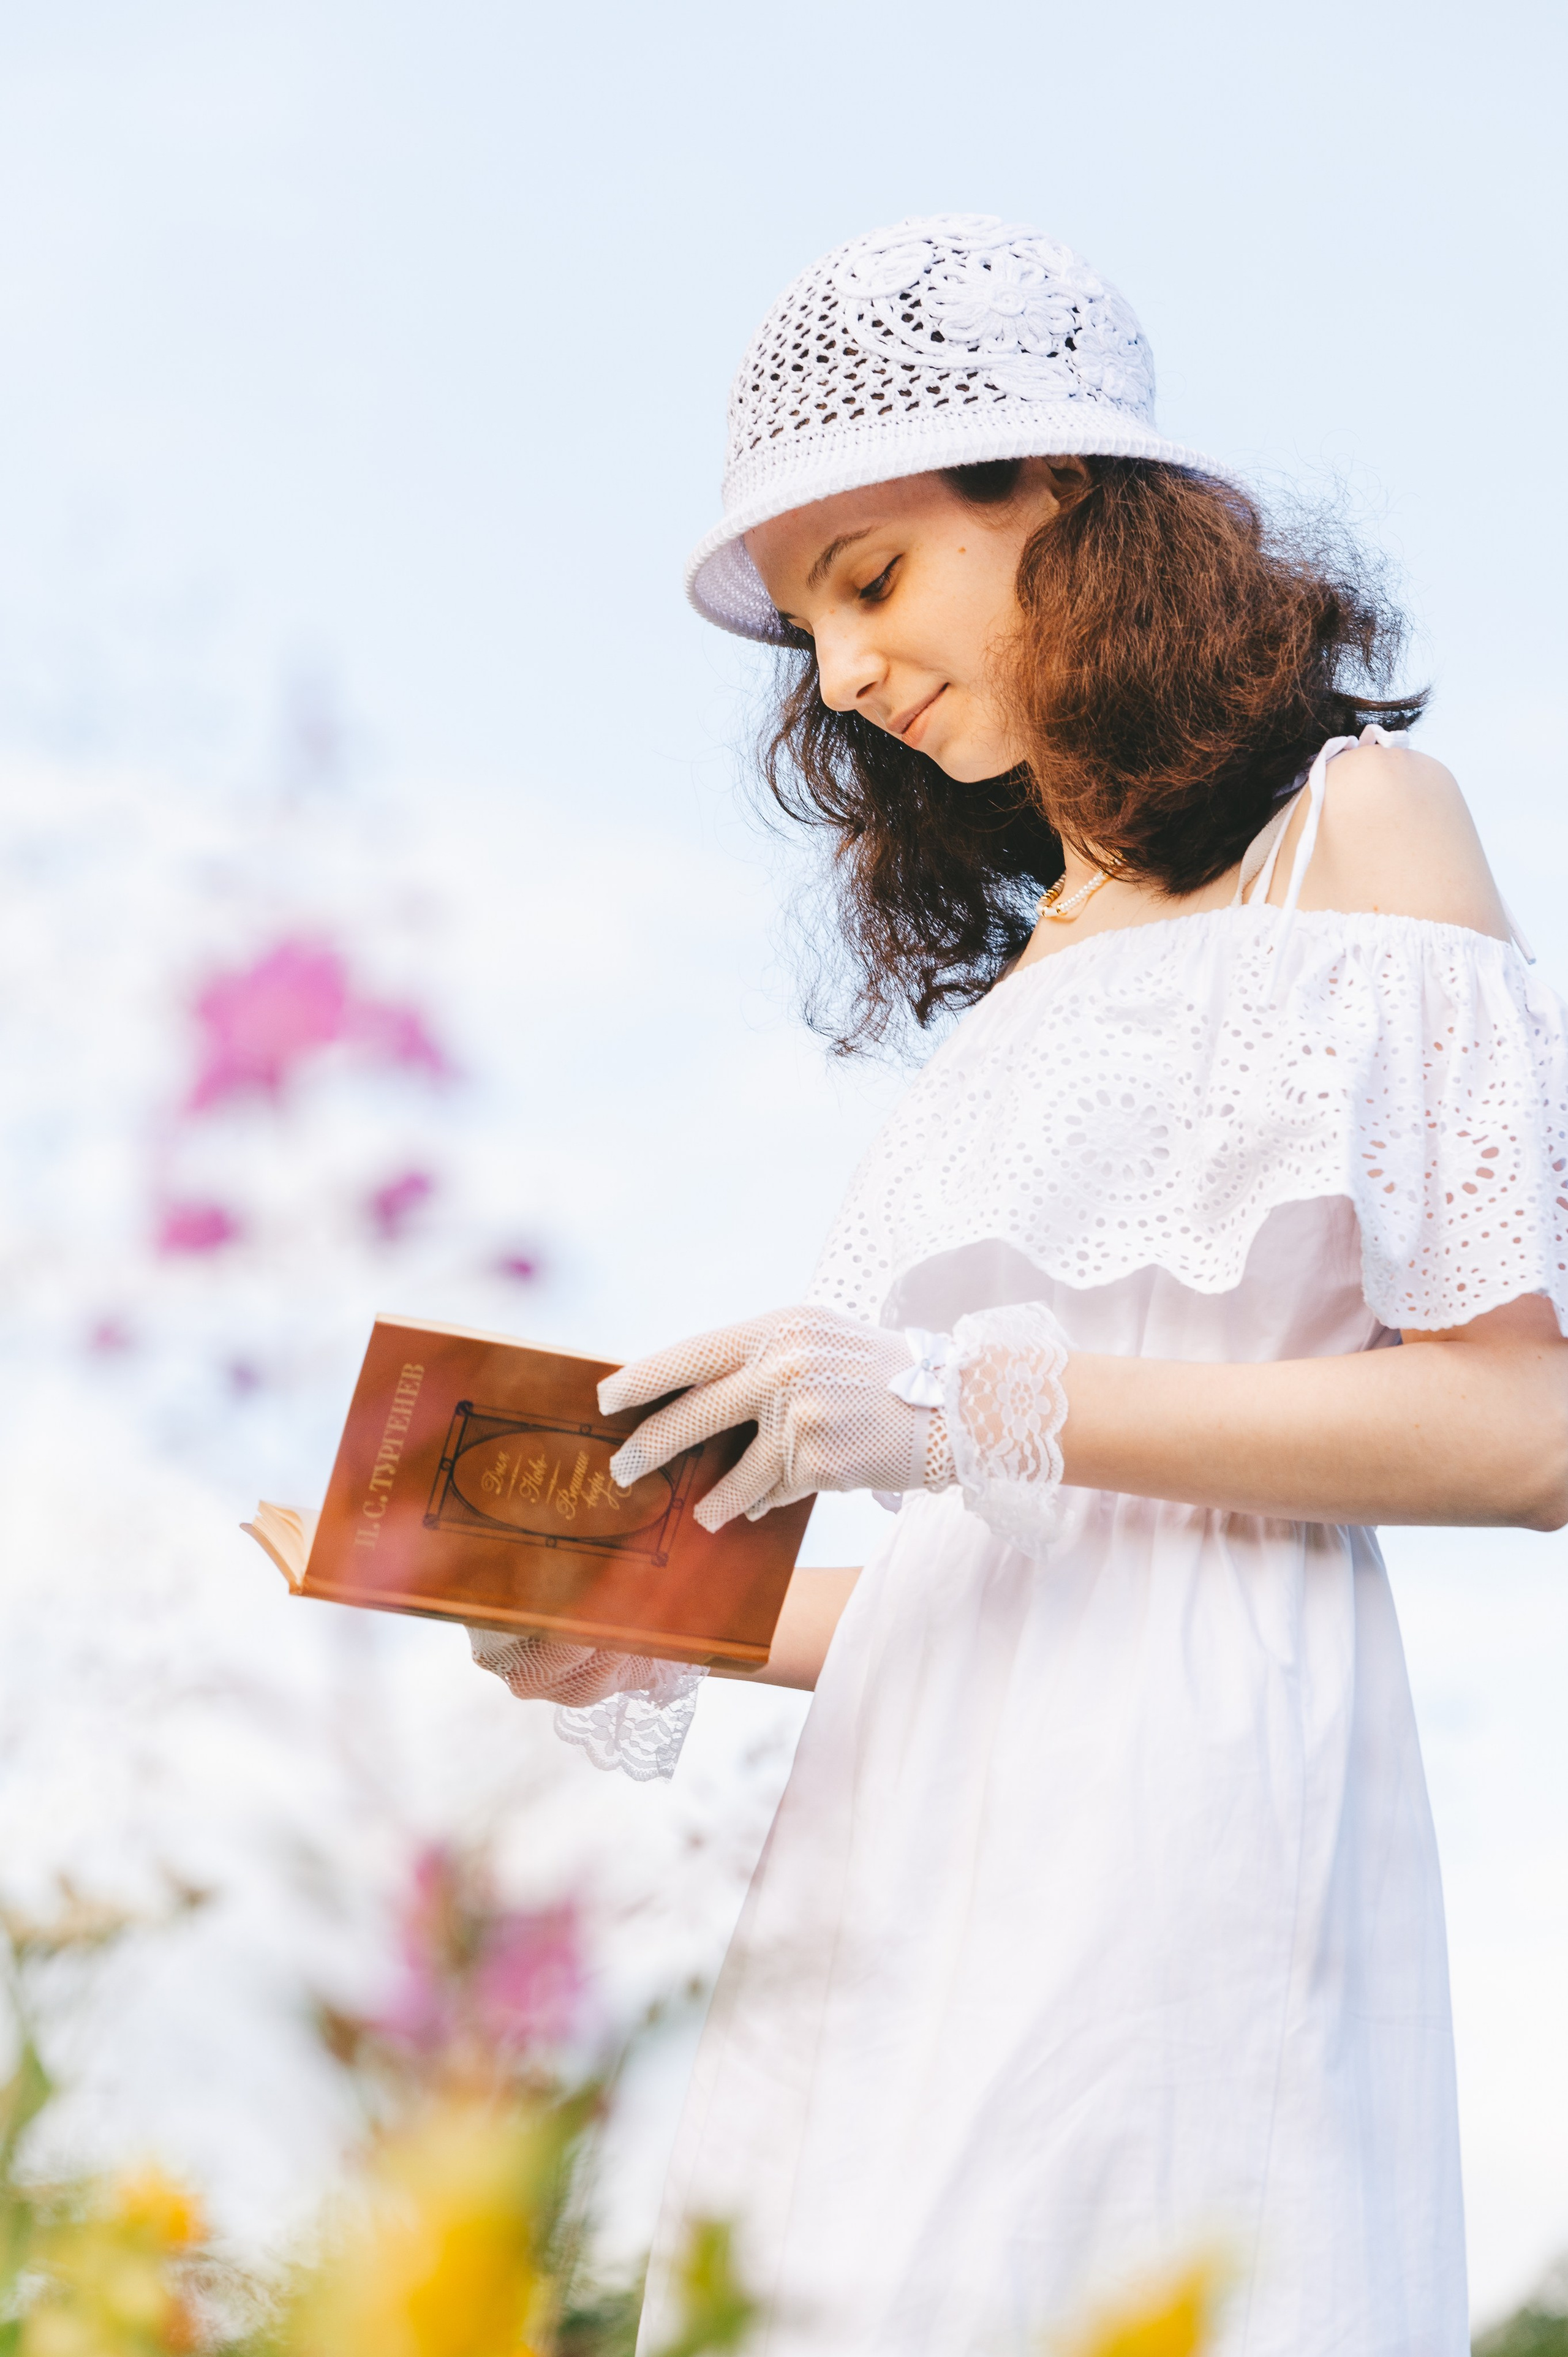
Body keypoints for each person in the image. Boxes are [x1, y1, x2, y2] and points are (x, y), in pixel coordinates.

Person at [472, 216, 1568, 2352]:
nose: (845, 675)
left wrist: (962, 1398)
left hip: (1189, 1800)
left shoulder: (1359, 820)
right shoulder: (1035, 967)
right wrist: (619, 1606)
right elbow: (998, 1569)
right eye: (806, 634)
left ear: (1060, 491)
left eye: (869, 580)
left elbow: (1526, 1427)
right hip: (902, 1832)